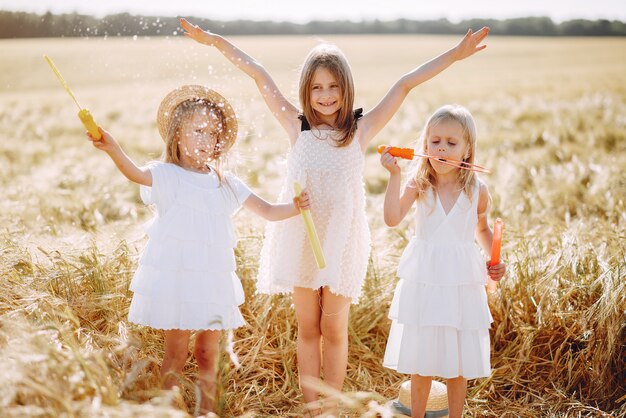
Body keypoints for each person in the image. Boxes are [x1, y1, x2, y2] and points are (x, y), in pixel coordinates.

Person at [180, 18, 488, 416]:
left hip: (343, 242)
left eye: (333, 86)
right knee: (308, 329)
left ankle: (333, 408)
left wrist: (456, 54)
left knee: (334, 330)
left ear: (346, 89)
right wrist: (216, 41)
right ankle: (313, 409)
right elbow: (258, 74)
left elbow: (406, 83)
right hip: (301, 237)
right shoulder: (297, 127)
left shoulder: (361, 130)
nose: (325, 96)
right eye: (316, 87)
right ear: (306, 91)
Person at [86, 85, 310, 414]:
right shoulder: (166, 175)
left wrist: (296, 206)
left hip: (213, 281)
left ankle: (208, 411)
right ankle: (169, 410)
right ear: (177, 134)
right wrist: (113, 148)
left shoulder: (226, 182)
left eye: (214, 134)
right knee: (175, 354)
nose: (208, 140)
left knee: (209, 354)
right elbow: (134, 173)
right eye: (199, 131)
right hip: (179, 281)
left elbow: (269, 212)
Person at [379, 104, 506, 418]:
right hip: (426, 279)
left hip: (460, 280)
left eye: (451, 143)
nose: (442, 148)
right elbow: (392, 218)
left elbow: (481, 228)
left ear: (467, 150)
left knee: (457, 366)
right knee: (421, 363)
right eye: (435, 141)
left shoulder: (477, 190)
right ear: (425, 145)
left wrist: (496, 259)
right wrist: (395, 175)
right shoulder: (419, 184)